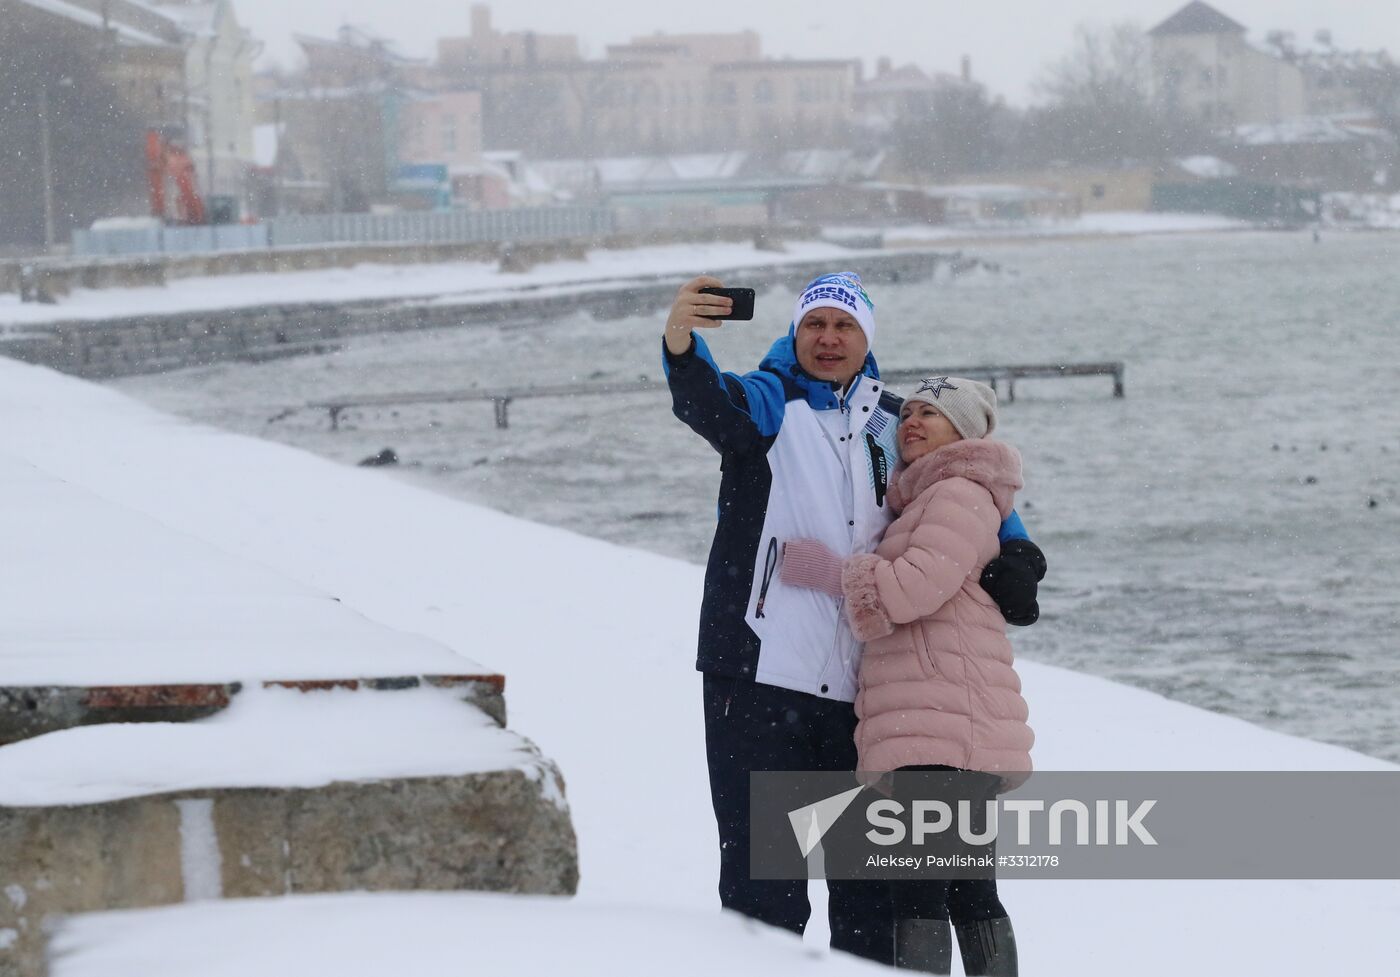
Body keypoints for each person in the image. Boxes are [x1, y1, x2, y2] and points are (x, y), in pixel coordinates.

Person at [662, 273, 1045, 965]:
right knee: (764, 892)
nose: (830, 338)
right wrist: (683, 344)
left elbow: (971, 474)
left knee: (870, 902)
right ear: (796, 334)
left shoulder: (895, 421)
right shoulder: (766, 404)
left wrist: (1018, 547)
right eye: (816, 325)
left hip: (862, 699)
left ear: (868, 339)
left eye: (846, 326)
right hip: (758, 679)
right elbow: (706, 403)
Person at [780, 378, 1036, 974]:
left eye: (933, 415)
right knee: (967, 888)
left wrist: (832, 573)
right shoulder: (929, 496)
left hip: (943, 720)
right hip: (945, 720)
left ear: (966, 433)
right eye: (910, 413)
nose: (912, 423)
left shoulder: (957, 494)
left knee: (921, 889)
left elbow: (912, 588)